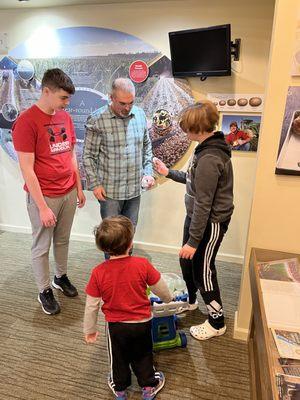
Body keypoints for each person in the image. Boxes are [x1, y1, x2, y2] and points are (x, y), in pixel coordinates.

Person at [153, 101, 234, 341]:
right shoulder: (203, 148)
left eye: (186, 129)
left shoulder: (210, 157)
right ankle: (190, 300)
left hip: (210, 222)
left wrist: (194, 240)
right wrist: (169, 173)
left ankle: (217, 322)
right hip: (197, 219)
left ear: (197, 129)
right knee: (186, 261)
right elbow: (192, 181)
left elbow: (204, 204)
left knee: (203, 270)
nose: (184, 133)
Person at [12, 68, 86, 315]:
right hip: (44, 196)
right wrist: (42, 206)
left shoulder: (64, 117)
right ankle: (44, 289)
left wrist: (78, 186)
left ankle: (60, 277)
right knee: (41, 246)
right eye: (63, 98)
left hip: (67, 192)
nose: (67, 103)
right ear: (46, 91)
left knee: (63, 239)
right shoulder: (26, 122)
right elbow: (27, 169)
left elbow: (71, 154)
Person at [83, 216, 172, 400]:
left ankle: (120, 388)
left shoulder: (98, 272)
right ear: (130, 243)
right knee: (144, 353)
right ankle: (148, 386)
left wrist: (90, 330)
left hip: (116, 326)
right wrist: (168, 298)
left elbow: (91, 306)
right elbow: (160, 287)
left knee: (118, 356)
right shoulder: (142, 264)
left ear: (103, 248)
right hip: (142, 322)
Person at [83, 78, 154, 239]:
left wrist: (148, 172)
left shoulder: (140, 115)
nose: (128, 107)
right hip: (110, 192)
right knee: (112, 239)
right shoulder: (97, 120)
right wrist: (95, 184)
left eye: (131, 102)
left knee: (129, 234)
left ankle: (126, 264)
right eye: (122, 103)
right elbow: (88, 156)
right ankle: (112, 265)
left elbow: (147, 147)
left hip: (134, 190)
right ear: (111, 97)